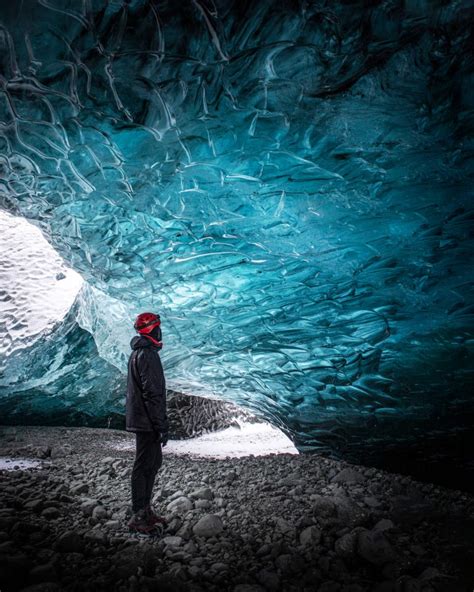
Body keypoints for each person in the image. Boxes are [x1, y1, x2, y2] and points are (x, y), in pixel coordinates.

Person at [126, 312, 169, 533]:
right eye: (159, 328)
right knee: (144, 466)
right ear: (153, 330)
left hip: (143, 419)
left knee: (151, 464)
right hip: (147, 422)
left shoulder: (139, 353)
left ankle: (145, 509)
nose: (161, 332)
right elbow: (152, 394)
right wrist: (160, 425)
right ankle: (139, 515)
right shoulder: (147, 355)